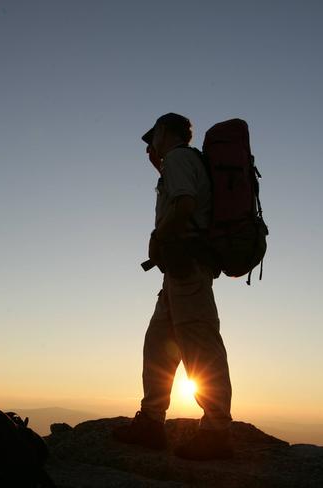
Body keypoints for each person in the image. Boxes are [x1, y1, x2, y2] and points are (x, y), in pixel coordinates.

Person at [113, 113, 234, 460]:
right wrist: (159, 169)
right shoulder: (182, 163)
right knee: (158, 344)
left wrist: (156, 236)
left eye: (154, 137)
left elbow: (185, 204)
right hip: (180, 271)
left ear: (165, 132)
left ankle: (217, 430)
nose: (151, 145)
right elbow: (183, 196)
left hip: (188, 266)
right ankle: (151, 422)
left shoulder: (180, 158)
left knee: (200, 345)